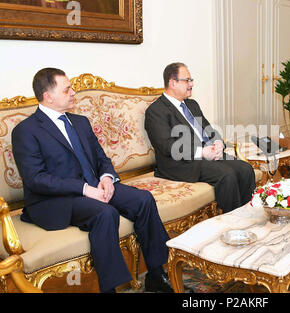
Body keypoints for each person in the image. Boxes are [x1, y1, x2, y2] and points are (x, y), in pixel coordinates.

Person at [12, 68, 174, 293]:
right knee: (104, 213)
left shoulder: (80, 122)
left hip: (96, 186)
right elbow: (35, 179)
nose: (73, 92)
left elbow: (100, 157)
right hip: (57, 199)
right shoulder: (26, 131)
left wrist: (107, 178)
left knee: (143, 199)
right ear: (48, 96)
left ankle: (156, 274)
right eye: (67, 89)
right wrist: (85, 189)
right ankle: (109, 289)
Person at [145, 62, 256, 213]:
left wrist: (217, 142)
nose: (191, 84)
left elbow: (208, 129)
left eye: (191, 80)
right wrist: (202, 152)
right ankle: (232, 225)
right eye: (187, 80)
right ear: (172, 83)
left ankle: (247, 217)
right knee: (227, 175)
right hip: (179, 163)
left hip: (206, 155)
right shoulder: (156, 111)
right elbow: (167, 146)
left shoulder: (192, 105)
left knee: (245, 169)